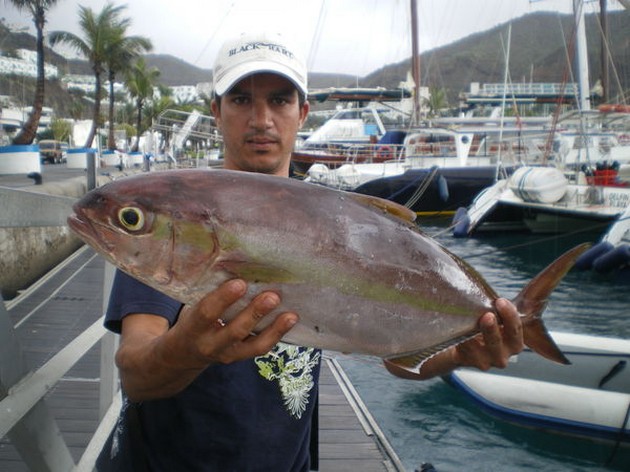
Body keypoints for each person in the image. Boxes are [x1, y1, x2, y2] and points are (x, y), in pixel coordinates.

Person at [96, 32, 524, 472]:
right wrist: (186, 351)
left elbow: (392, 352)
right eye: (241, 100)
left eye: (279, 100)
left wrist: (456, 353)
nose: (261, 119)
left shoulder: (332, 223)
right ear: (216, 113)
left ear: (301, 112)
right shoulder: (181, 217)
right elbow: (137, 373)